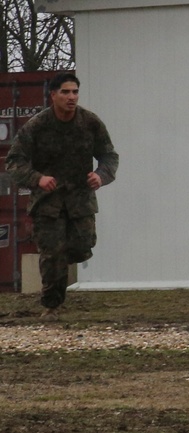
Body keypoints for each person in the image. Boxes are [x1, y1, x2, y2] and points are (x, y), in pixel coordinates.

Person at [5, 72, 120, 320]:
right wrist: (38, 178)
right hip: (48, 203)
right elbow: (14, 162)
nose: (71, 97)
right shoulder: (37, 126)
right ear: (53, 95)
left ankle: (60, 272)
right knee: (52, 254)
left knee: (81, 248)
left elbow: (109, 156)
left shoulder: (90, 123)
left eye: (75, 92)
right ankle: (52, 306)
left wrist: (101, 175)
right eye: (66, 92)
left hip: (80, 201)